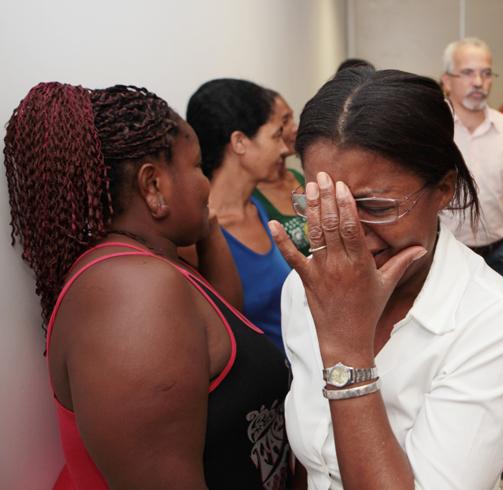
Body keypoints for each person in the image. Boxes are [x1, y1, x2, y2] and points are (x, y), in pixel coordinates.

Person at [3, 83, 290, 488]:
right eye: (197, 166)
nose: (206, 182)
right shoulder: (132, 292)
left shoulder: (156, 261)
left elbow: (230, 324)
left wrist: (206, 226)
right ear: (153, 186)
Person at [272, 68, 503, 489]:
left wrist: (348, 352)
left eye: (378, 207)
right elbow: (312, 459)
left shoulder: (494, 319)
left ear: (444, 189)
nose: (349, 234)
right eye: (324, 204)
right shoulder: (305, 287)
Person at [186, 78, 292, 355]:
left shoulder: (256, 207)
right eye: (275, 136)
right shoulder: (198, 235)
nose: (284, 149)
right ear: (240, 142)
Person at [439, 37, 503, 300]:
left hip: (496, 257)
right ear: (447, 81)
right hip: (441, 257)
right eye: (468, 73)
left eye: (485, 73)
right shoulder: (432, 128)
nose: (478, 82)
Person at [253, 95, 311, 256]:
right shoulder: (253, 197)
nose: (295, 128)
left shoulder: (297, 176)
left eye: (292, 118)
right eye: (285, 121)